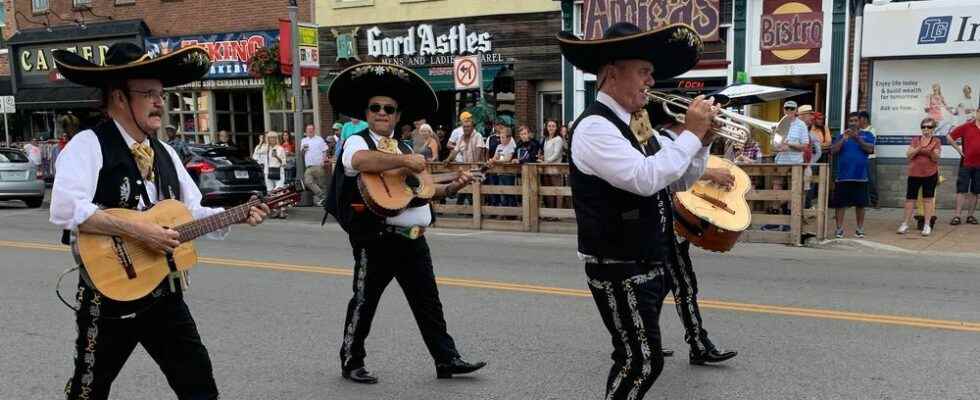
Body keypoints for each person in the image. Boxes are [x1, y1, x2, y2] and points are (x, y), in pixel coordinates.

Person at [49, 42, 269, 400]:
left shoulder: (164, 152)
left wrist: (239, 214)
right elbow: (64, 208)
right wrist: (138, 229)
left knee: (199, 387)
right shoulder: (88, 145)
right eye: (149, 94)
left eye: (161, 93)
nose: (160, 102)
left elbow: (191, 212)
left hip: (164, 295)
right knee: (88, 391)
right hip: (109, 297)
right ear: (119, 98)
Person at [558, 22, 719, 399]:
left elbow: (676, 180)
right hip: (619, 265)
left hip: (648, 259)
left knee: (637, 357)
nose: (651, 80)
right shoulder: (595, 126)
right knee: (642, 361)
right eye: (644, 71)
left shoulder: (637, 124)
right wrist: (691, 134)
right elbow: (645, 178)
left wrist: (702, 144)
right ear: (613, 73)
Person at [323, 62, 486, 384]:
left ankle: (447, 359)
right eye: (375, 108)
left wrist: (454, 185)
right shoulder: (358, 142)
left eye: (389, 109)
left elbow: (422, 190)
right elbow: (357, 163)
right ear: (367, 113)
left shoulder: (407, 147)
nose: (382, 112)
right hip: (377, 237)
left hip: (414, 238)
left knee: (429, 302)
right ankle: (351, 361)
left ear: (398, 116)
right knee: (364, 302)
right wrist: (403, 160)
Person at [831, 112, 876, 238]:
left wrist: (857, 138)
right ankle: (839, 229)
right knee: (840, 205)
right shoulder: (841, 136)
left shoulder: (867, 135)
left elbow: (870, 149)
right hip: (843, 177)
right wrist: (843, 140)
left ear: (860, 122)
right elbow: (833, 151)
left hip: (860, 177)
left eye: (855, 120)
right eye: (850, 121)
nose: (853, 123)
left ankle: (859, 229)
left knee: (860, 205)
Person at [898, 117, 941, 236]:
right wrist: (919, 148)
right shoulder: (915, 140)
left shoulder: (936, 141)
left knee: (928, 199)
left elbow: (936, 157)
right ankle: (905, 223)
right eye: (924, 127)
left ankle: (927, 224)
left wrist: (928, 151)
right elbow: (909, 155)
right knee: (910, 199)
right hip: (914, 173)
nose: (926, 129)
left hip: (930, 174)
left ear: (933, 129)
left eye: (929, 127)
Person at [948, 106, 980, 225]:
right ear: (977, 112)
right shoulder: (967, 126)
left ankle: (970, 216)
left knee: (975, 191)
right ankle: (957, 216)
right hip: (966, 163)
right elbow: (950, 137)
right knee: (961, 190)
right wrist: (958, 150)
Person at [300, 124, 328, 204]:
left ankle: (323, 201)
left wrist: (323, 161)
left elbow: (325, 150)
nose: (310, 131)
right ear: (306, 131)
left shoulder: (319, 139)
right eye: (308, 130)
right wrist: (303, 151)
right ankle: (323, 196)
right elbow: (302, 154)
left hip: (318, 165)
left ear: (314, 130)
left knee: (321, 184)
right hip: (309, 166)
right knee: (308, 182)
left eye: (311, 129)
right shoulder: (304, 140)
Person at [264, 131, 288, 219]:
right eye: (270, 138)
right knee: (270, 192)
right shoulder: (266, 148)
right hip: (268, 172)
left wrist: (276, 156)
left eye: (274, 137)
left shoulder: (280, 148)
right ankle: (275, 210)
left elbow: (284, 163)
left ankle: (282, 210)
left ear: (276, 139)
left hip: (278, 172)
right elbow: (256, 155)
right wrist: (260, 142)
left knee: (279, 192)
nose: (272, 139)